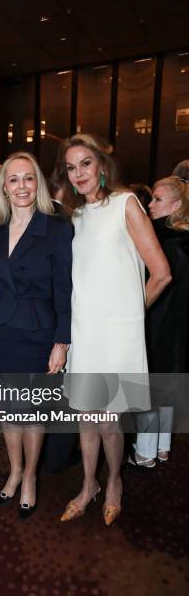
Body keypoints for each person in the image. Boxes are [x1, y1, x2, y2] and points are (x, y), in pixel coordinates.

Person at [55, 133, 171, 525]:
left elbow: (161, 274)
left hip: (117, 334)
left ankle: (115, 481)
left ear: (102, 166)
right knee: (86, 417)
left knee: (109, 420)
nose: (79, 173)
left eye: (85, 163)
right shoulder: (78, 215)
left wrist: (128, 316)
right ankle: (89, 485)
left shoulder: (127, 204)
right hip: (84, 331)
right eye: (71, 167)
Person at [0, 151, 72, 519]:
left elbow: (65, 290)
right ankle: (15, 469)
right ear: (3, 186)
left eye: (28, 178)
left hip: (39, 330)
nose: (21, 186)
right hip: (1, 328)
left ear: (39, 184)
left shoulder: (56, 228)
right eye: (13, 179)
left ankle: (31, 475)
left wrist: (62, 341)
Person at [129, 176, 189, 467]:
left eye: (158, 200)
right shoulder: (184, 238)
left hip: (156, 323)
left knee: (149, 388)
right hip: (179, 329)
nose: (149, 205)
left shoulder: (159, 239)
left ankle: (145, 452)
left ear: (177, 205)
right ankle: (162, 446)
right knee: (168, 385)